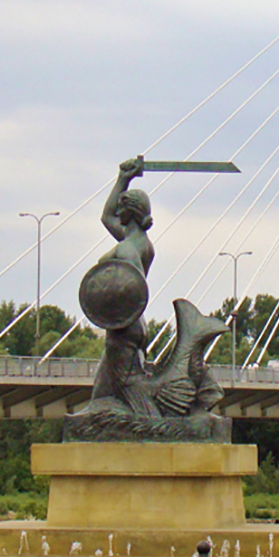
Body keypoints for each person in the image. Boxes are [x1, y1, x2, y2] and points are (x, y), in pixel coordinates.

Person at [89, 160, 157, 416]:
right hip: (132, 327)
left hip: (123, 328)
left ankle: (156, 426)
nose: (116, 211)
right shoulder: (141, 243)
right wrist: (123, 179)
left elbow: (130, 292)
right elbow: (106, 217)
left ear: (127, 213)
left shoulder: (128, 249)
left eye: (120, 208)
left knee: (111, 400)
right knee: (110, 398)